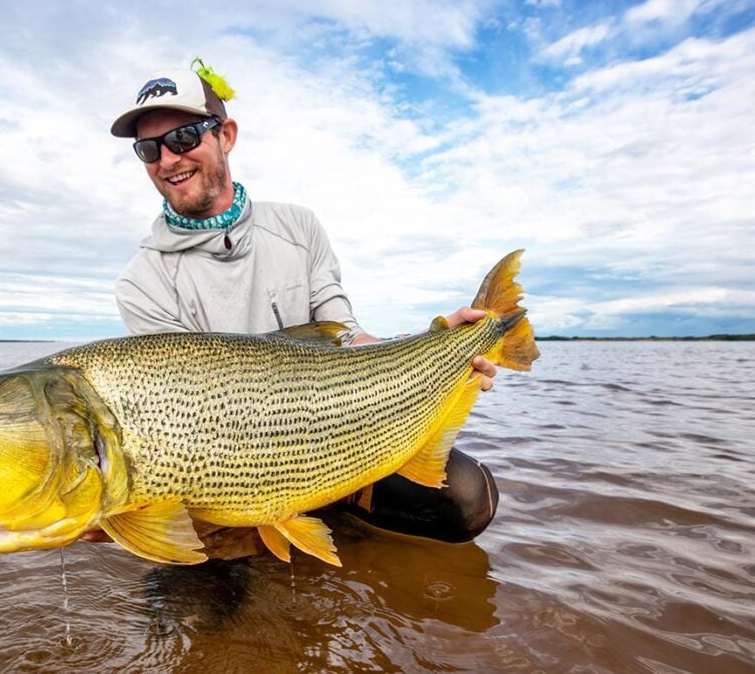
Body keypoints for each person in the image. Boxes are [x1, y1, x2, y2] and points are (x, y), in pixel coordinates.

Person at [107, 61, 500, 555]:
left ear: (225, 135)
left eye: (184, 138)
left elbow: (347, 335)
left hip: (338, 432)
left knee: (467, 500)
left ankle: (345, 520)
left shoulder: (299, 227)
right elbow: (174, 416)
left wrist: (441, 343)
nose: (167, 159)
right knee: (207, 604)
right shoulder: (141, 283)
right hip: (230, 466)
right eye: (149, 148)